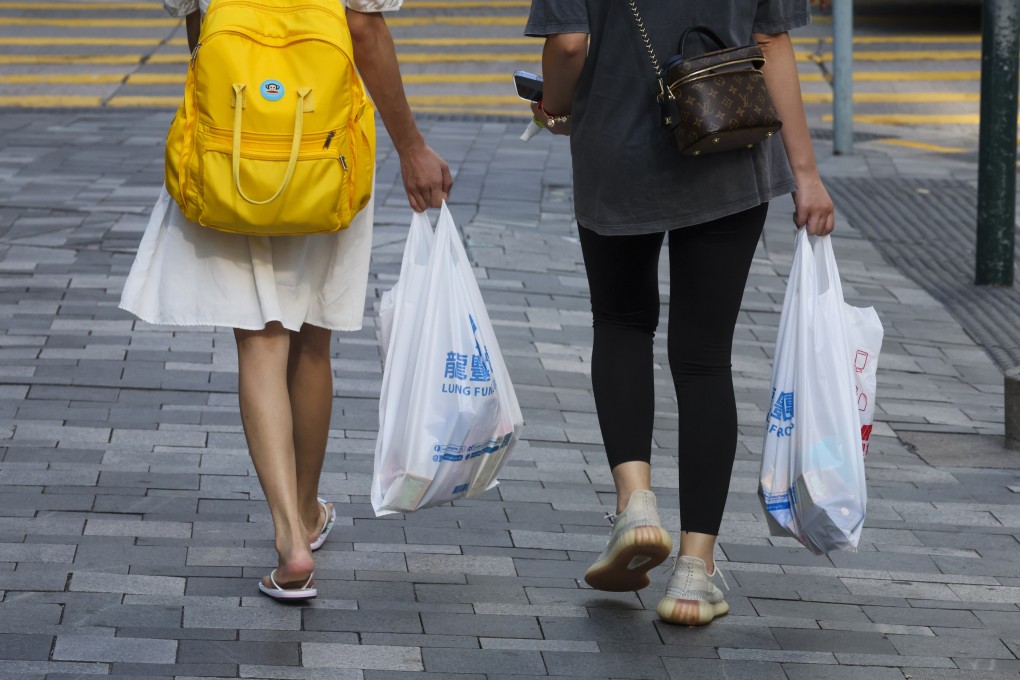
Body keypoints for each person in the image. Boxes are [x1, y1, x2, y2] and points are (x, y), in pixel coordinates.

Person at [120, 0, 452, 600]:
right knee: (313, 340)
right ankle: (305, 511)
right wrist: (411, 147)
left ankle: (289, 541)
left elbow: (196, 31)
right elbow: (365, 28)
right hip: (326, 149)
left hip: (237, 145)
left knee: (260, 339)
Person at [525, 0, 834, 625]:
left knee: (620, 323)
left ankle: (636, 504)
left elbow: (567, 46)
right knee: (703, 358)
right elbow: (771, 41)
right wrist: (806, 173)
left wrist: (556, 107)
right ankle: (695, 573)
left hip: (616, 150)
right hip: (728, 136)